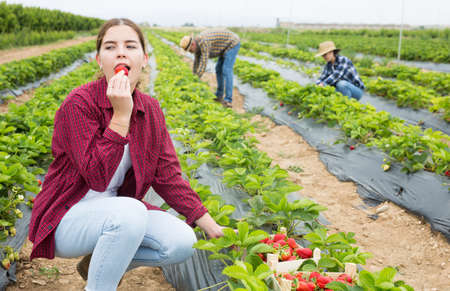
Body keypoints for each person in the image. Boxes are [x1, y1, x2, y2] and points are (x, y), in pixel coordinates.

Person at [28, 18, 224, 291]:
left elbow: (167, 175)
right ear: (99, 60)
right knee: (130, 212)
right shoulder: (79, 104)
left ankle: (100, 261)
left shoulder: (151, 109)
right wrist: (120, 117)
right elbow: (97, 178)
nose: (121, 52)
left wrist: (209, 223)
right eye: (111, 47)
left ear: (143, 59)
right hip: (67, 217)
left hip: (118, 212)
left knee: (183, 242)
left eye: (130, 46)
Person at [179, 29, 240, 108]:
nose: (190, 52)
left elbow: (203, 63)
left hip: (232, 43)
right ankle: (219, 95)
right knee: (218, 69)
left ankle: (228, 100)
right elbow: (196, 62)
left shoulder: (204, 42)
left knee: (226, 69)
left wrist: (196, 79)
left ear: (193, 44)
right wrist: (193, 76)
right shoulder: (197, 46)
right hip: (223, 46)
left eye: (189, 50)